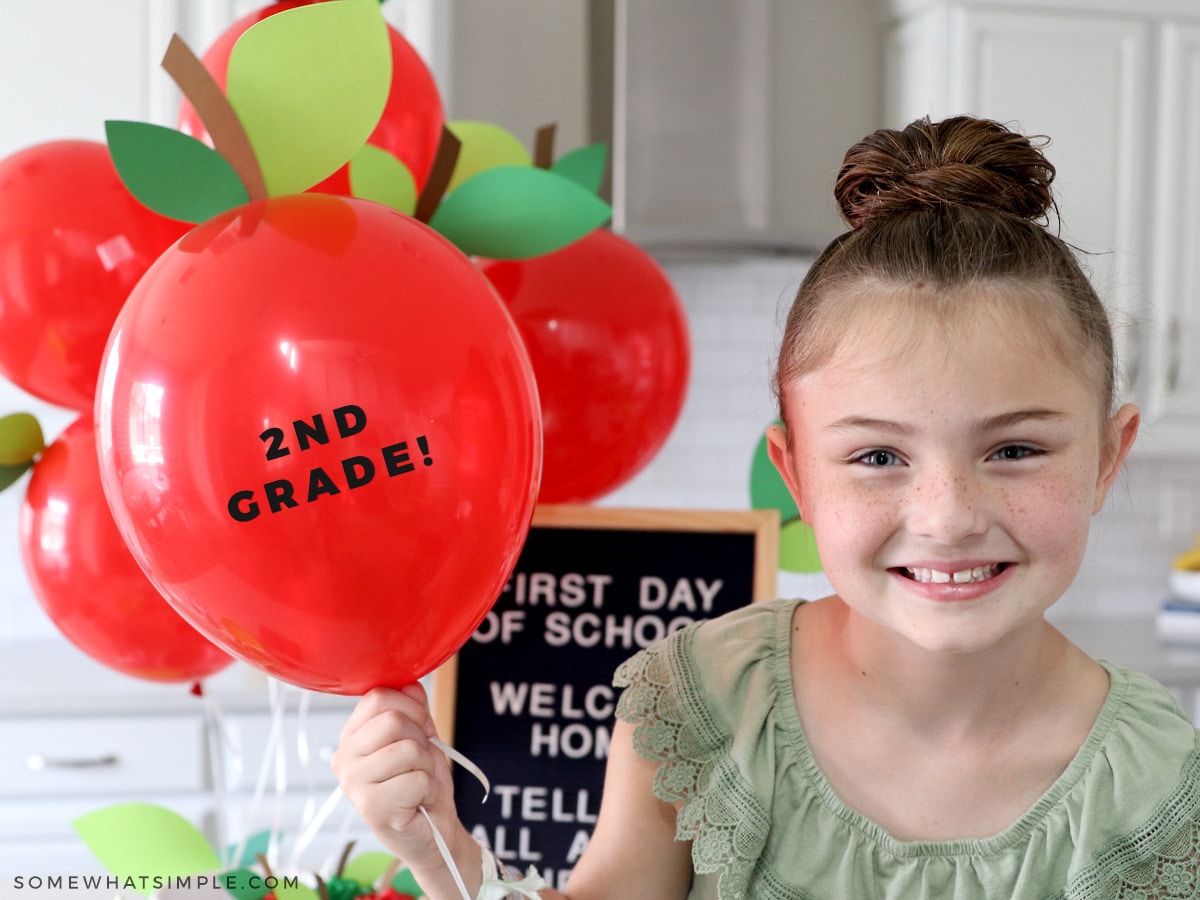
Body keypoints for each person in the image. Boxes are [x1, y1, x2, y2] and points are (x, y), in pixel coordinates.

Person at [331, 116, 1200, 899]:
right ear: (795, 476)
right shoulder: (702, 702)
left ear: (1107, 459)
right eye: (877, 457)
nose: (947, 516)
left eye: (1013, 450)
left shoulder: (1163, 787)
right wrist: (438, 846)